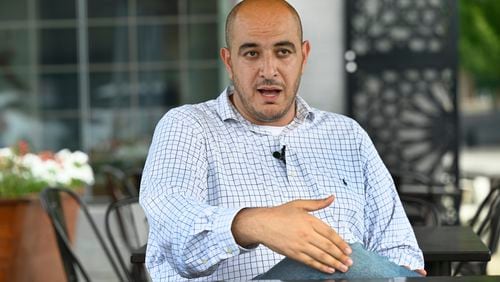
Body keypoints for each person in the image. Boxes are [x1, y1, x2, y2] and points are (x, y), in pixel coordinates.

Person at [139, 0, 425, 280]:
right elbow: (175, 235)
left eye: (283, 52)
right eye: (251, 54)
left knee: (361, 262)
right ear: (229, 61)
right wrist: (253, 224)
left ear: (303, 56)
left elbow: (399, 247)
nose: (268, 70)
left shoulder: (348, 135)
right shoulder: (188, 127)